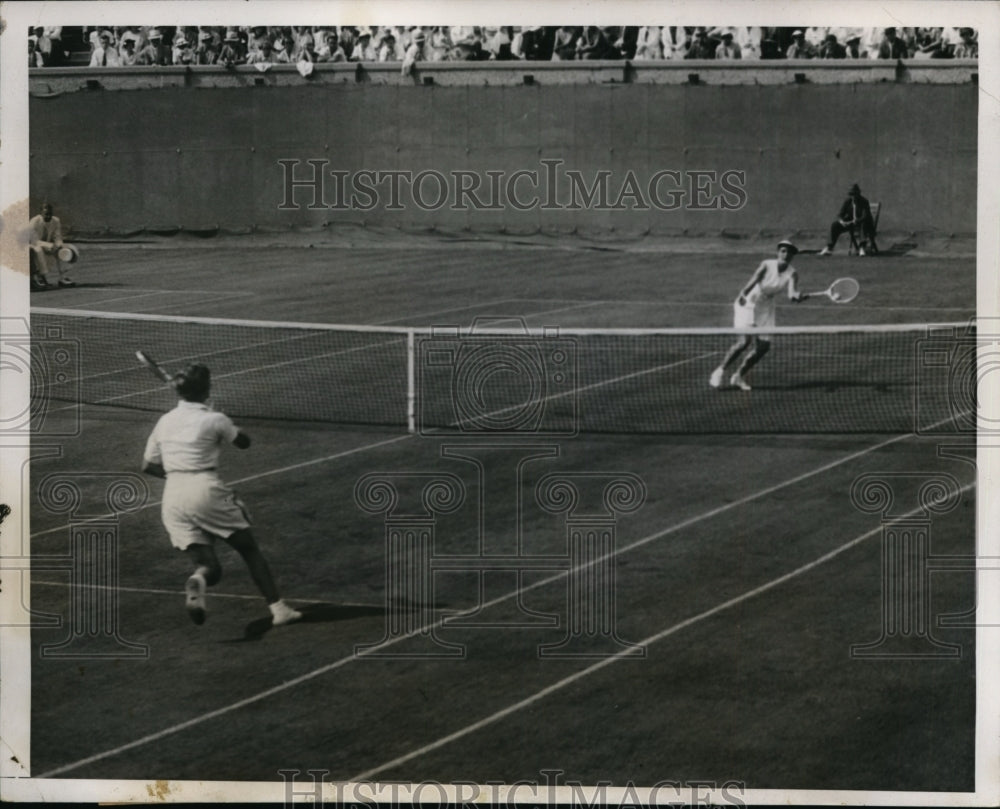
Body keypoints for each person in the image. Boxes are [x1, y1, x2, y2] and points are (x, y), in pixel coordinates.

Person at [142, 364, 302, 627]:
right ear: (206, 389)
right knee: (249, 549)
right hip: (207, 490)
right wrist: (220, 418)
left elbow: (148, 465)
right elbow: (244, 442)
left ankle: (198, 582)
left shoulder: (165, 421)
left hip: (173, 497)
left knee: (210, 567)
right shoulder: (214, 419)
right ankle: (278, 609)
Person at [709, 239, 807, 391]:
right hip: (748, 303)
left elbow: (792, 294)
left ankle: (738, 376)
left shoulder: (792, 273)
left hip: (766, 307)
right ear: (778, 252)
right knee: (744, 342)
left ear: (793, 255)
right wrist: (743, 294)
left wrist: (798, 296)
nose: (786, 254)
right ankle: (720, 371)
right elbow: (754, 279)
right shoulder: (767, 265)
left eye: (789, 252)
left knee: (763, 347)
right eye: (783, 251)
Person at [819, 183, 877, 256]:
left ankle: (862, 247)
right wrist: (841, 221)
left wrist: (857, 220)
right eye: (851, 194)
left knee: (863, 224)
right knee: (835, 225)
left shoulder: (864, 201)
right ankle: (829, 247)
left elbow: (865, 216)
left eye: (855, 194)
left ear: (858, 193)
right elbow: (840, 214)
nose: (853, 196)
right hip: (852, 223)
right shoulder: (848, 201)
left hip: (864, 224)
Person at [29, 203, 75, 289]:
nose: (48, 216)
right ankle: (40, 277)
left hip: (47, 246)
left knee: (64, 250)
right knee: (38, 250)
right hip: (33, 245)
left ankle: (62, 278)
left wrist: (58, 245)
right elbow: (32, 240)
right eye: (46, 214)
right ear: (41, 213)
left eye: (50, 214)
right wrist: (49, 245)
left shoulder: (56, 221)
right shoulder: (34, 221)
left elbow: (57, 237)